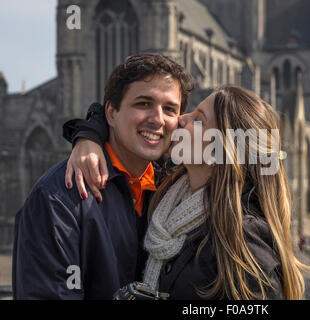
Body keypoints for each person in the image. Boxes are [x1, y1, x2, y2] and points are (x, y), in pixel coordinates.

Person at [64, 85, 308, 299]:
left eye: (198, 120)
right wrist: (88, 136)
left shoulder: (244, 239)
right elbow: (120, 120)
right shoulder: (164, 194)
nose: (181, 119)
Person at [12, 53, 194, 299]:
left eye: (170, 109)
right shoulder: (58, 199)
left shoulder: (177, 191)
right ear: (110, 113)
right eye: (143, 103)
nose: (157, 119)